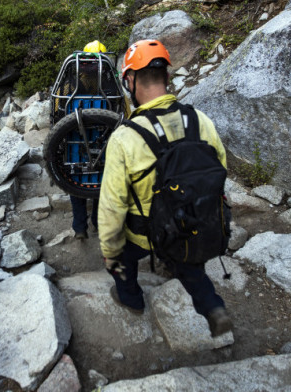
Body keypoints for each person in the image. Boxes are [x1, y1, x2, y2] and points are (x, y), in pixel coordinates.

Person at [97, 39, 232, 337]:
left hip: (143, 233)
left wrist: (109, 249)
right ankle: (212, 305)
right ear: (167, 77)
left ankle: (131, 298)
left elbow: (112, 205)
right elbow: (220, 168)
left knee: (121, 259)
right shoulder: (200, 120)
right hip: (188, 224)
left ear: (130, 81)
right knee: (188, 263)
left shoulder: (124, 138)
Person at [71, 40, 107, 240]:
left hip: (75, 142)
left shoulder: (70, 84)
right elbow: (124, 113)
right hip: (102, 143)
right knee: (100, 183)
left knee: (74, 180)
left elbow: (57, 113)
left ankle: (79, 228)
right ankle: (97, 223)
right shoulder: (110, 86)